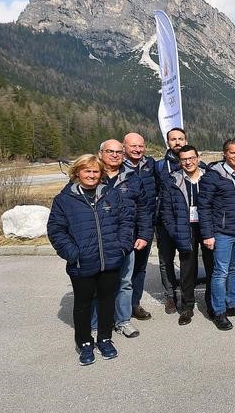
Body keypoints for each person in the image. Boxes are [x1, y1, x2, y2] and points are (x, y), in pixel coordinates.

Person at [47, 154, 134, 365]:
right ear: (77, 173)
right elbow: (56, 230)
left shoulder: (111, 195)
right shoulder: (64, 199)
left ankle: (105, 338)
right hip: (81, 263)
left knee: (106, 302)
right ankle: (85, 342)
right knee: (83, 304)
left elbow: (126, 222)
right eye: (87, 171)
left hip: (111, 260)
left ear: (101, 174)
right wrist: (72, 253)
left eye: (95, 171)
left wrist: (121, 247)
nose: (92, 175)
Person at [198, 139, 235, 331]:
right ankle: (219, 311)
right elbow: (203, 207)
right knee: (220, 272)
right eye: (233, 153)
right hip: (222, 233)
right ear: (225, 153)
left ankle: (232, 304)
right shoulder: (213, 176)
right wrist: (207, 234)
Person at [98, 140, 151, 339]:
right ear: (100, 153)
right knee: (99, 285)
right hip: (99, 241)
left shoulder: (132, 178)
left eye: (118, 152)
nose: (114, 155)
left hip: (126, 239)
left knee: (125, 282)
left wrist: (144, 234)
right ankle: (98, 323)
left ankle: (123, 321)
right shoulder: (92, 175)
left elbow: (144, 209)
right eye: (110, 151)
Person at [159, 144, 214, 325]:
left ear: (198, 158)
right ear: (179, 161)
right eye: (184, 159)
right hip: (185, 228)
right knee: (187, 270)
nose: (188, 162)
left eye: (191, 158)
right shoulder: (171, 180)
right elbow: (166, 212)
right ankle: (187, 306)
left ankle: (211, 303)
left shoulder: (210, 177)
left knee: (212, 267)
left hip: (207, 228)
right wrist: (175, 232)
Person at [122, 132, 156, 322]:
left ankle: (135, 304)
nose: (137, 150)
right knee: (120, 269)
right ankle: (118, 308)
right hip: (123, 226)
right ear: (124, 147)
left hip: (145, 224)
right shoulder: (117, 167)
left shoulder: (150, 165)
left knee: (140, 268)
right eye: (133, 146)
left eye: (140, 146)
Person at [154, 127, 187, 314]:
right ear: (168, 142)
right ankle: (170, 296)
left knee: (186, 259)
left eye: (180, 138)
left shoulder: (193, 163)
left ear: (186, 139)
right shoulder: (158, 167)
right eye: (173, 139)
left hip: (186, 221)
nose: (177, 142)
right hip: (164, 222)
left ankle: (184, 292)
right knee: (165, 260)